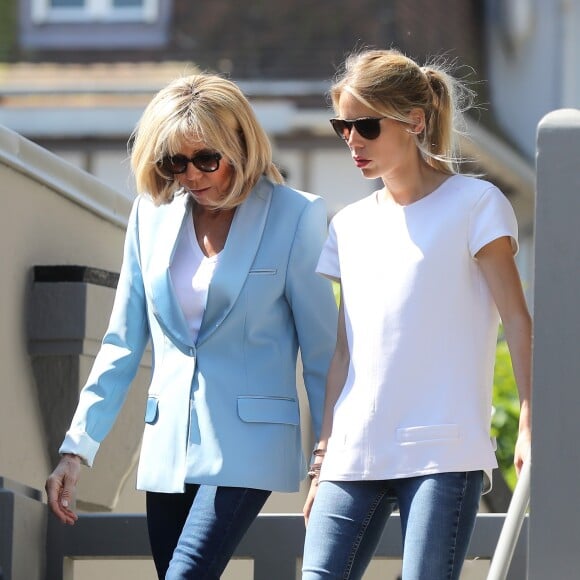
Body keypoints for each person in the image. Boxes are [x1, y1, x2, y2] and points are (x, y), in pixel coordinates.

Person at [45, 73, 338, 579]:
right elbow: (121, 342)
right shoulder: (150, 217)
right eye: (174, 162)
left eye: (207, 159)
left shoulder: (296, 216)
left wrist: (329, 460)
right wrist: (76, 449)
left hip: (249, 444)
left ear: (239, 146)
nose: (192, 175)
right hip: (167, 450)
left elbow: (323, 353)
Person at [301, 48, 532, 580]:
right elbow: (344, 351)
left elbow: (519, 323)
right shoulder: (349, 225)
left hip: (442, 452)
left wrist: (528, 425)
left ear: (415, 122)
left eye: (366, 126)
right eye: (343, 127)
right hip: (352, 453)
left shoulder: (476, 204)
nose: (352, 141)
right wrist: (322, 457)